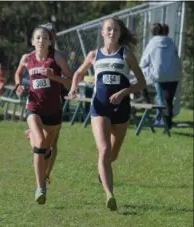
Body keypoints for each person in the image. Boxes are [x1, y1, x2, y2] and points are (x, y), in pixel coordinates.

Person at [68, 17, 146, 211]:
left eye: (116, 30)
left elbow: (142, 82)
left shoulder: (126, 54)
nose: (112, 33)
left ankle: (103, 172)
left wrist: (124, 91)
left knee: (113, 154)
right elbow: (78, 73)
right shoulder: (94, 55)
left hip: (121, 108)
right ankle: (110, 194)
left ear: (120, 33)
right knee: (103, 151)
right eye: (108, 30)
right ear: (102, 32)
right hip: (99, 107)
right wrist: (73, 88)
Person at [15, 25, 71, 205]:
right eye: (37, 37)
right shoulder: (27, 58)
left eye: (44, 37)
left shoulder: (58, 57)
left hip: (54, 110)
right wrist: (19, 86)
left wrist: (54, 77)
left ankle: (45, 175)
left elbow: (71, 82)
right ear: (32, 41)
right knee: (40, 144)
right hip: (34, 107)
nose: (40, 41)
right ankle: (40, 188)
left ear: (50, 41)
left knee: (50, 147)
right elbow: (18, 74)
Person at [139, 23, 182, 129]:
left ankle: (158, 118)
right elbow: (177, 58)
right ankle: (168, 123)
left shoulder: (152, 43)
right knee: (168, 100)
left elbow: (143, 63)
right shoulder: (171, 42)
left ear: (152, 32)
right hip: (173, 75)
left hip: (159, 75)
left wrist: (151, 73)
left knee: (160, 99)